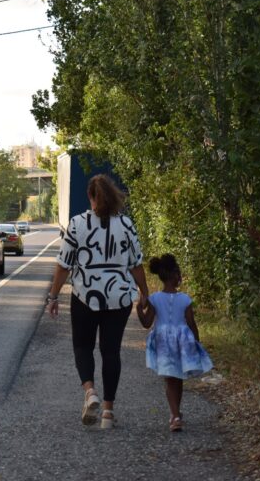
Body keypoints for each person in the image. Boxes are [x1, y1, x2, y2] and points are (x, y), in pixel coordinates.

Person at [45, 174, 149, 430]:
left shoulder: (77, 224)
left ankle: (90, 392)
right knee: (111, 351)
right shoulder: (126, 224)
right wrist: (145, 293)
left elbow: (63, 265)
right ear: (113, 196)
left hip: (86, 296)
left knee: (83, 346)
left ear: (91, 197)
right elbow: (136, 264)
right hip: (119, 297)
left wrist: (54, 296)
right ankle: (107, 413)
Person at [136, 253, 213, 432]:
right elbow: (191, 324)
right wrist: (196, 343)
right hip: (183, 342)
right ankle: (175, 414)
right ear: (174, 275)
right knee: (176, 379)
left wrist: (139, 308)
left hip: (163, 342)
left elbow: (147, 323)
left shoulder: (155, 299)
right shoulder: (185, 299)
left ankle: (175, 414)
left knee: (172, 379)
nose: (181, 277)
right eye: (179, 273)